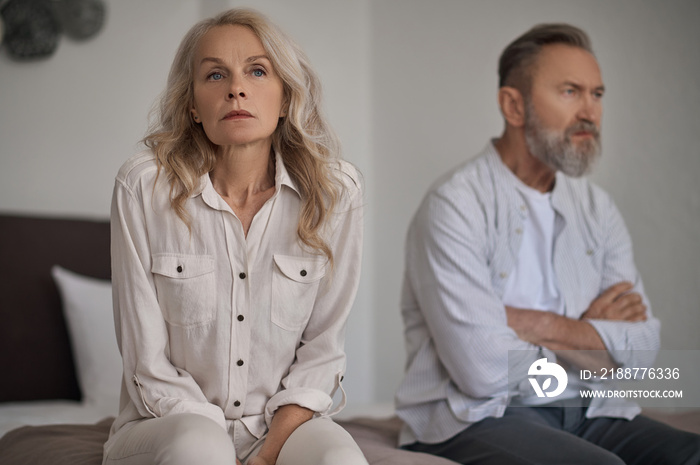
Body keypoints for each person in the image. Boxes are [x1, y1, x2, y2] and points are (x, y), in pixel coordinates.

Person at [395, 23, 700, 464]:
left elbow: (642, 356)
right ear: (513, 105)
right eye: (570, 92)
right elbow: (484, 372)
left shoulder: (598, 209)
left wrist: (529, 323)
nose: (590, 113)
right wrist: (588, 336)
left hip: (589, 408)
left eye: (597, 94)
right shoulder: (454, 205)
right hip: (479, 416)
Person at [104, 8, 367, 465]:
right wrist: (224, 454)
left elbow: (323, 354)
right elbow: (148, 364)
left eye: (258, 71)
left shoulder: (334, 193)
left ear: (285, 98)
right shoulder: (142, 188)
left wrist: (266, 455)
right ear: (192, 104)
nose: (236, 88)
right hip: (166, 424)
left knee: (338, 458)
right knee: (200, 449)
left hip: (280, 424)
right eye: (215, 75)